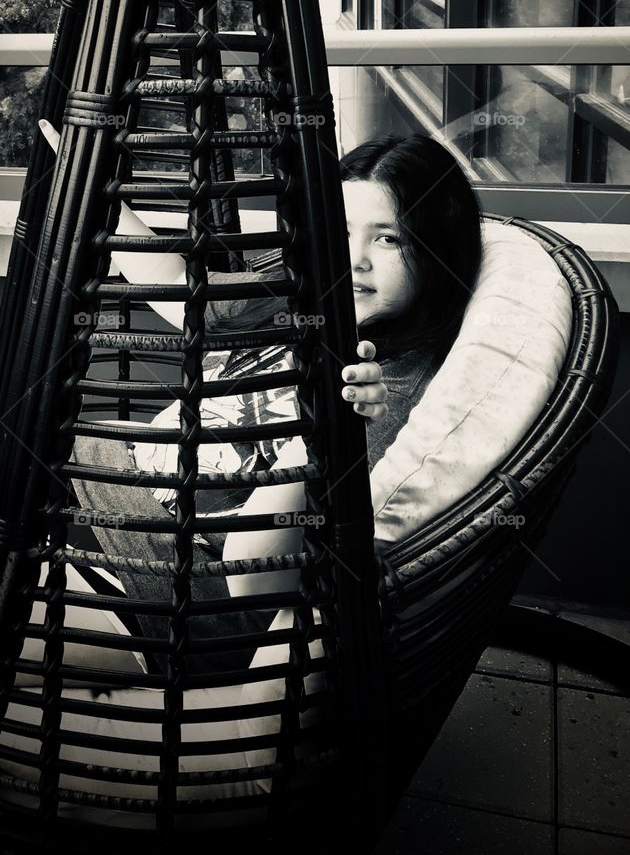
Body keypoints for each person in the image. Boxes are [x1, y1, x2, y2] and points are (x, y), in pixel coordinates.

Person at [72, 132, 483, 672]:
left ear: (437, 252)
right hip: (125, 485)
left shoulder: (385, 391)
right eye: (339, 230)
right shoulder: (301, 296)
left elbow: (252, 578)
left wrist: (328, 429)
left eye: (388, 240)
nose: (352, 259)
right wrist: (98, 182)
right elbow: (181, 288)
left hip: (172, 582)